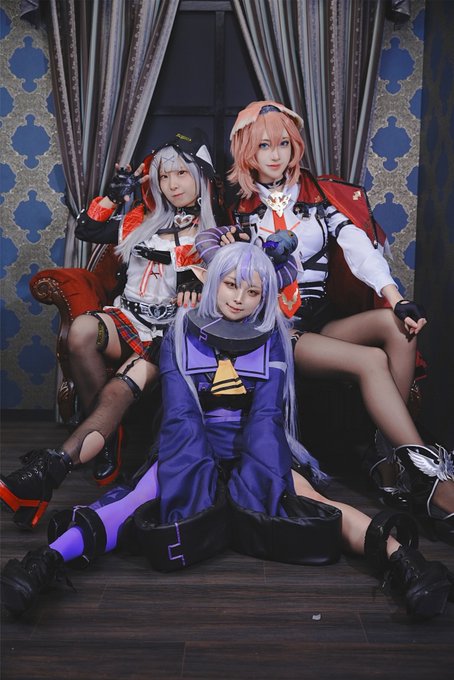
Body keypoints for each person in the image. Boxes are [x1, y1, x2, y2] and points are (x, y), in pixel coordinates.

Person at [1, 242, 452, 622]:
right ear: (214, 281)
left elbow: (267, 415)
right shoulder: (180, 330)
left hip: (259, 446)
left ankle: (406, 564)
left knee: (316, 502)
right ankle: (44, 563)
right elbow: (180, 413)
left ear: (264, 296)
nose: (239, 298)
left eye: (252, 291)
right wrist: (188, 480)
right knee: (133, 501)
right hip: (187, 443)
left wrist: (263, 481)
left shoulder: (275, 337)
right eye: (231, 285)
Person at [195, 101, 454, 545]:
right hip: (274, 328)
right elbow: (220, 271)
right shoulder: (234, 209)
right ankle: (430, 479)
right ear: (246, 151)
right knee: (371, 361)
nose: (275, 155)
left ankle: (388, 460)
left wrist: (397, 298)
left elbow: (358, 247)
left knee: (397, 328)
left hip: (320, 317)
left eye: (283, 144)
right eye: (263, 146)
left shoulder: (318, 198)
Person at [0, 128, 220, 529]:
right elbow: (86, 228)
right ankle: (106, 435)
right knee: (82, 330)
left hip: (167, 338)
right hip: (127, 320)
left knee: (120, 389)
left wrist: (203, 277)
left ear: (202, 176)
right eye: (164, 175)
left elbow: (236, 284)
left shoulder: (215, 234)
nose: (172, 184)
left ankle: (52, 470)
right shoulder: (140, 220)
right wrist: (114, 197)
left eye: (181, 174)